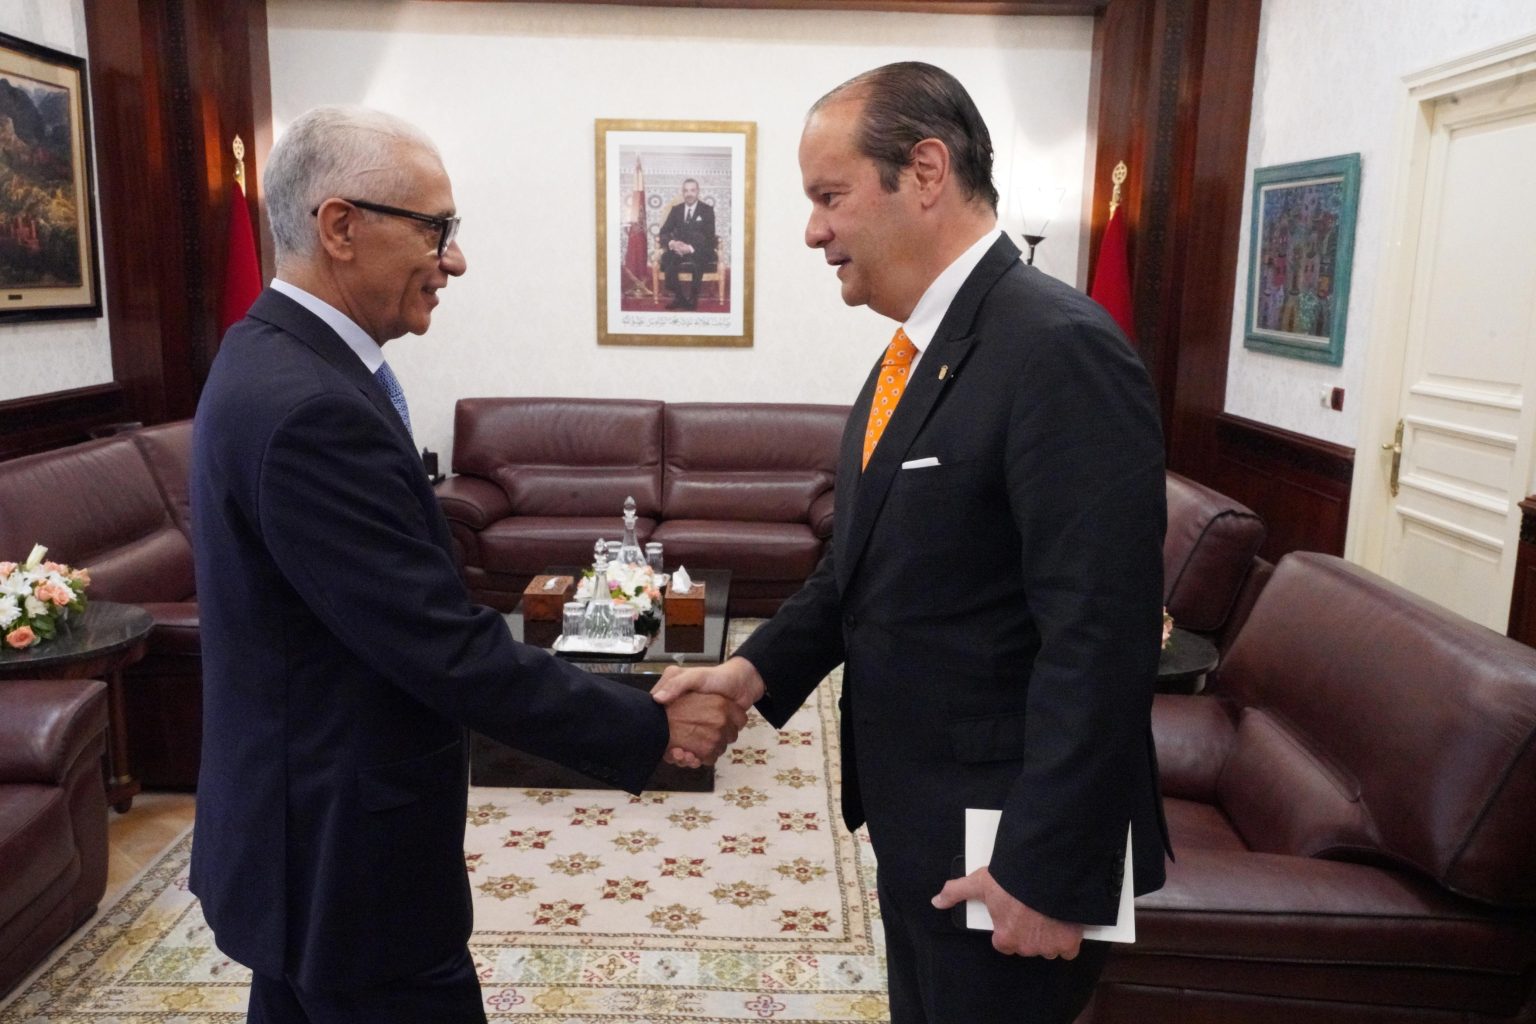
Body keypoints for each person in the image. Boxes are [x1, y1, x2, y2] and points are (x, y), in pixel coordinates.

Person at [189, 106, 744, 1024]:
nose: (455, 260)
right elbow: (442, 647)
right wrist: (648, 725)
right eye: (436, 229)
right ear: (340, 226)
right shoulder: (310, 408)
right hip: (344, 865)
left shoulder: (270, 359)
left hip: (303, 842)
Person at [653, 63, 1170, 1024]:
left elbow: (1102, 636)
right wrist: (750, 672)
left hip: (1009, 853)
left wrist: (1048, 869)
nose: (812, 230)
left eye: (829, 196)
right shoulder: (918, 351)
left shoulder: (1058, 347)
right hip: (920, 820)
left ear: (925, 172)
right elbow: (863, 566)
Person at [656, 177, 717, 309]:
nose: (689, 194)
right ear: (682, 192)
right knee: (667, 258)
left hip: (699, 249)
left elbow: (709, 236)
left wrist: (689, 248)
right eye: (686, 190)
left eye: (692, 190)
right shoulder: (676, 210)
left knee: (699, 260)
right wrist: (673, 243)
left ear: (698, 191)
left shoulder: (707, 210)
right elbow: (664, 232)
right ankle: (680, 298)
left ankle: (693, 299)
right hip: (678, 249)